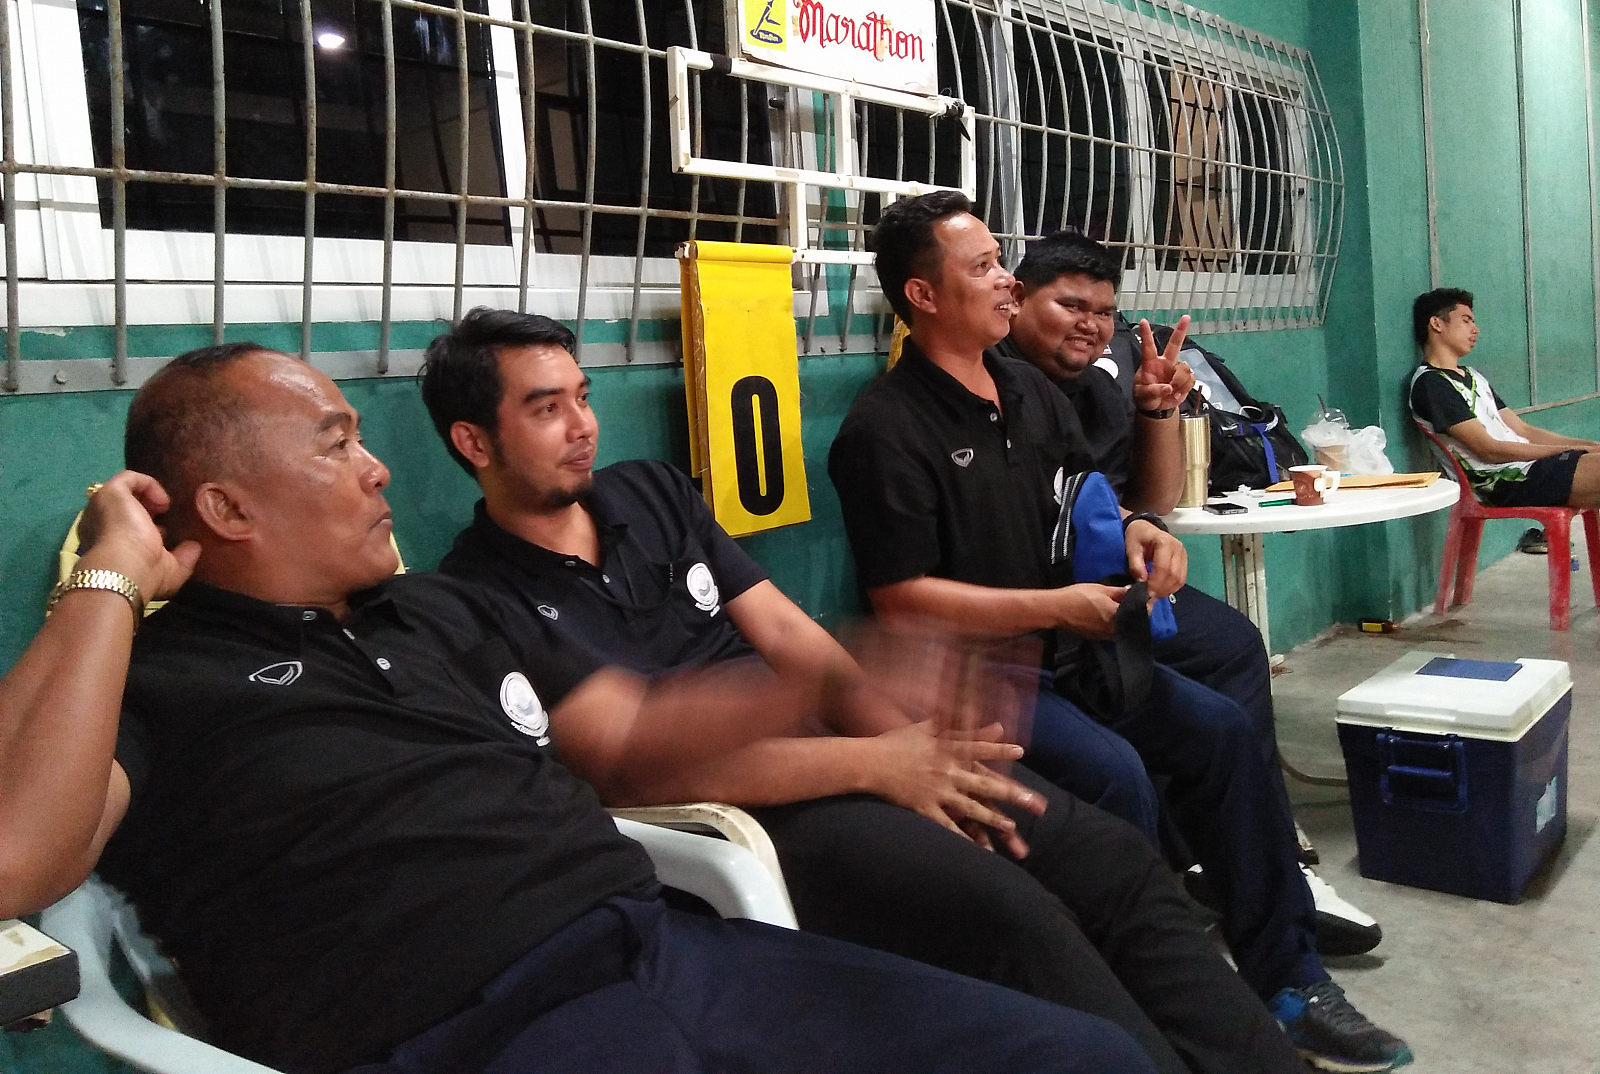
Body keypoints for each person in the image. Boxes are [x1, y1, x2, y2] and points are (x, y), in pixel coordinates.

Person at [0, 342, 1163, 1074]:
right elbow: (16, 859)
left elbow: (634, 737)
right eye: (337, 445)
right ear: (227, 509)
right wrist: (107, 583)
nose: (379, 469)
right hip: (457, 1031)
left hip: (664, 953)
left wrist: (830, 673)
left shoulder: (437, 612)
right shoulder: (156, 679)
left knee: (1079, 1056)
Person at [420, 307, 1304, 1074]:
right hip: (761, 806)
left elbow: (793, 639)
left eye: (582, 396)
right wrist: (874, 761)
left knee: (1111, 860)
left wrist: (918, 750)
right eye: (546, 409)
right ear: (473, 442)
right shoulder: (475, 598)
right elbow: (630, 759)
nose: (582, 425)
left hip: (855, 753)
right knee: (1018, 919)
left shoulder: (650, 494)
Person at [827, 191, 1413, 1074]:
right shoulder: (885, 428)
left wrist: (1142, 532)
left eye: (1001, 261)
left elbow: (1098, 502)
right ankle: (1151, 1008)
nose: (1005, 279)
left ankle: (1289, 980)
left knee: (1220, 733)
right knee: (1117, 775)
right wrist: (1056, 608)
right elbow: (904, 601)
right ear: (923, 295)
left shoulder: (1026, 390)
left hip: (1073, 652)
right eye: (983, 267)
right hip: (976, 678)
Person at [998, 228, 1384, 958]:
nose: (1090, 324)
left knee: (1231, 644)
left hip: (1115, 579)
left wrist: (1157, 410)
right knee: (1184, 693)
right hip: (1046, 599)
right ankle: (1218, 857)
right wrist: (1122, 534)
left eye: (1104, 311)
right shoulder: (998, 387)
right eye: (1070, 305)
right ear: (1015, 300)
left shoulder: (1101, 383)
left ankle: (1250, 857)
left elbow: (1157, 499)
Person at [1411, 287, 1600, 516]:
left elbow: (1524, 430)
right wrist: (1571, 450)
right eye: (1466, 320)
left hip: (1530, 467)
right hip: (1502, 481)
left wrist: (1588, 445)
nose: (1475, 329)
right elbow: (1489, 450)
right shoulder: (1431, 383)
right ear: (1437, 324)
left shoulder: (1474, 376)